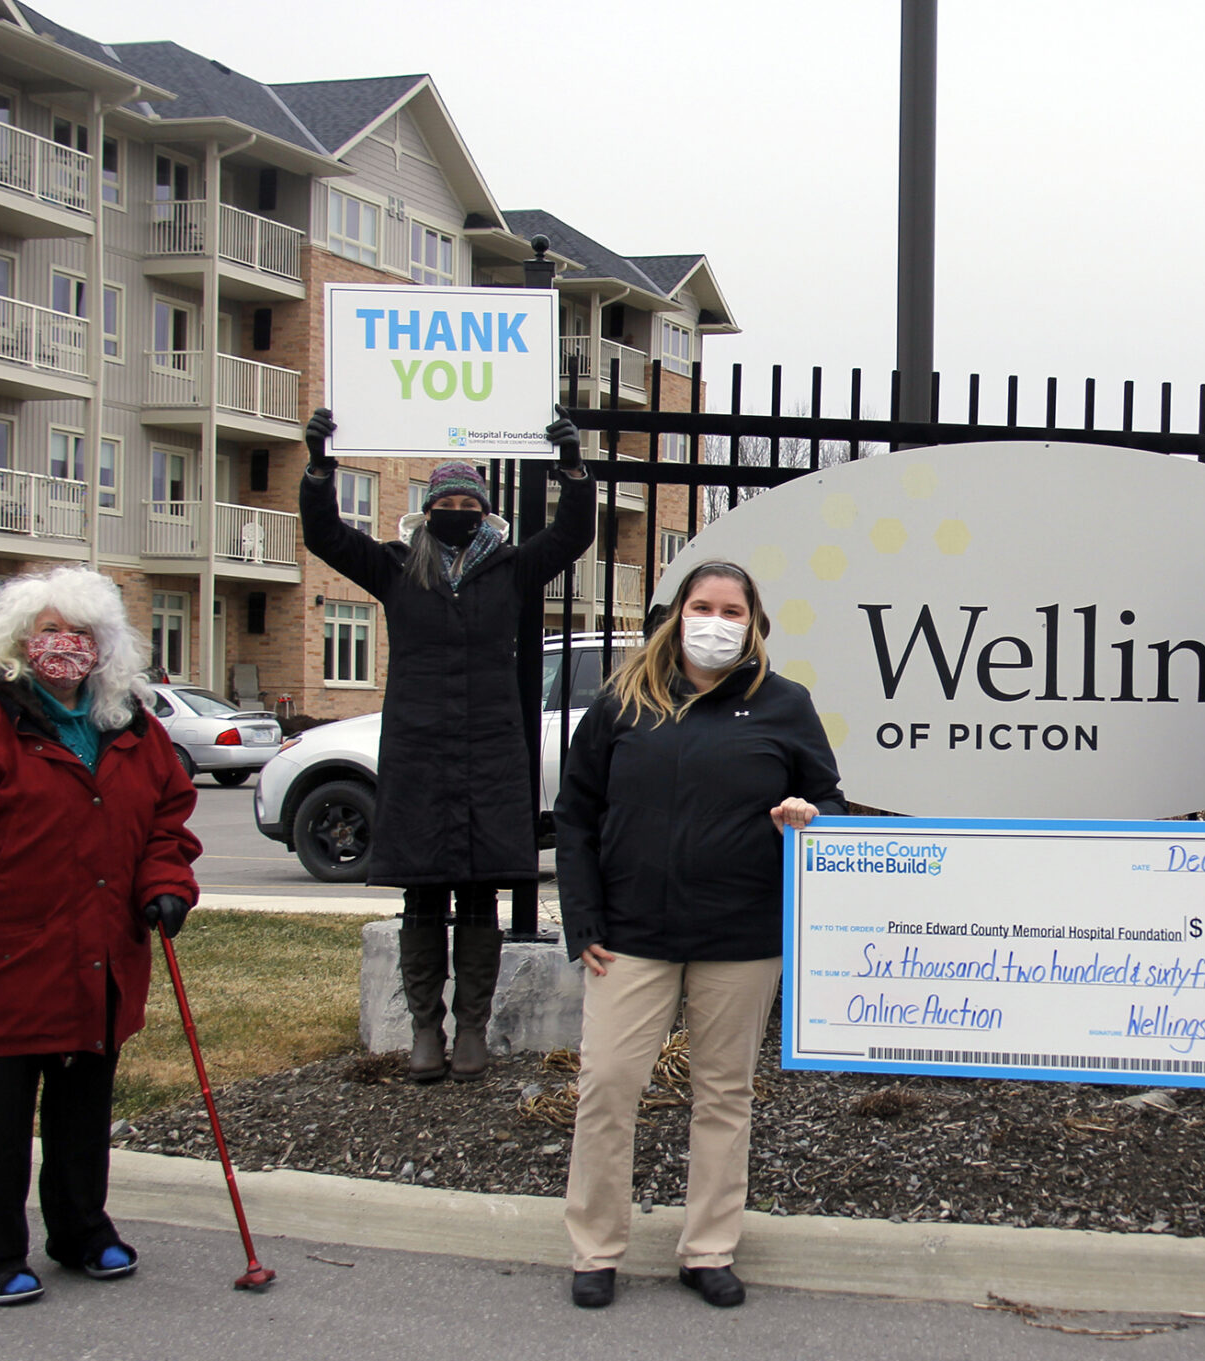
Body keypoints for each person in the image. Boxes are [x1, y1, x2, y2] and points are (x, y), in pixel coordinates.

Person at [0, 567, 200, 1306]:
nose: (65, 645)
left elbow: (167, 816)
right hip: (1, 962)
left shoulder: (129, 723)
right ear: (22, 642)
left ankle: (82, 1231)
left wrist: (165, 882)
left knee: (82, 1112)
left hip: (101, 960)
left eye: (80, 632)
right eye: (50, 631)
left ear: (104, 644)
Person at [553, 560, 846, 1312]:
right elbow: (576, 815)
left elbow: (829, 801)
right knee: (607, 1088)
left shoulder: (783, 704)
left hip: (741, 935)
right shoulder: (623, 702)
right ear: (677, 614)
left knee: (724, 1095)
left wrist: (807, 815)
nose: (716, 623)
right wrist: (582, 916)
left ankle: (709, 1249)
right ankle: (595, 1250)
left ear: (755, 625)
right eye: (703, 607)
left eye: (732, 611)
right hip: (628, 936)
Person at [298, 406, 595, 1084]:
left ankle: (471, 1030)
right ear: (427, 512)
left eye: (469, 505)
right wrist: (319, 470)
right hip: (419, 751)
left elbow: (572, 535)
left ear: (486, 513)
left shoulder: (511, 568)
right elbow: (325, 536)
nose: (457, 514)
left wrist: (574, 472)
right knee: (424, 893)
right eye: (446, 505)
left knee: (481, 893)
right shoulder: (396, 568)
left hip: (489, 751)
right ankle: (425, 1031)